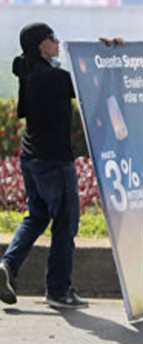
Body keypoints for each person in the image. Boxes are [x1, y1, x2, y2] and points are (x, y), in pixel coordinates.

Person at [0, 23, 97, 310]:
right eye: (52, 39)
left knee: (37, 216)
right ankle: (59, 290)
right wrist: (108, 51)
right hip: (55, 161)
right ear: (41, 45)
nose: (57, 43)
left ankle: (7, 265)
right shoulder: (54, 78)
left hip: (31, 159)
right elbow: (89, 83)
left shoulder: (27, 71)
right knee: (65, 225)